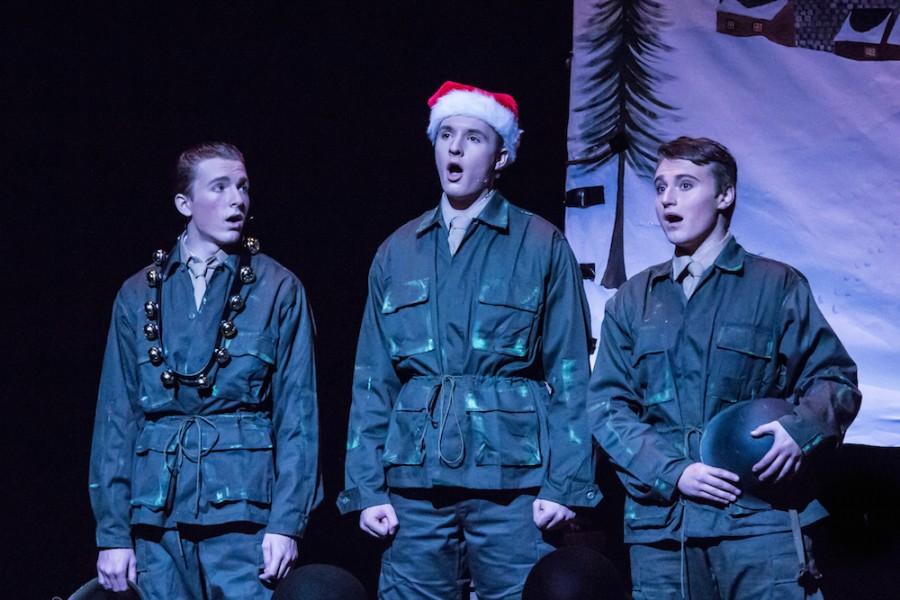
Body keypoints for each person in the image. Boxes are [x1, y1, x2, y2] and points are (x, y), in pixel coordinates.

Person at [338, 81, 600, 599]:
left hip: (513, 485)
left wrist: (566, 484)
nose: (454, 149)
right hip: (415, 485)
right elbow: (373, 378)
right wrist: (366, 487)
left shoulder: (540, 243)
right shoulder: (397, 251)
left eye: (473, 138)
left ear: (501, 156)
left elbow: (570, 371)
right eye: (446, 135)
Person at [589, 136, 861, 599]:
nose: (667, 199)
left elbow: (834, 378)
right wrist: (672, 470)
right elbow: (607, 405)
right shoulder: (633, 300)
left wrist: (801, 428)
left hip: (760, 523)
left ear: (724, 195)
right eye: (659, 187)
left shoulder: (775, 285)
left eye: (685, 184)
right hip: (664, 530)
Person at [89, 142, 322, 599]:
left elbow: (298, 415)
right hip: (157, 517)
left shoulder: (278, 288)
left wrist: (287, 523)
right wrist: (113, 533)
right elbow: (116, 419)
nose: (238, 199)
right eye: (220, 187)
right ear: (184, 203)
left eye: (243, 187)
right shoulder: (138, 295)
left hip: (243, 516)